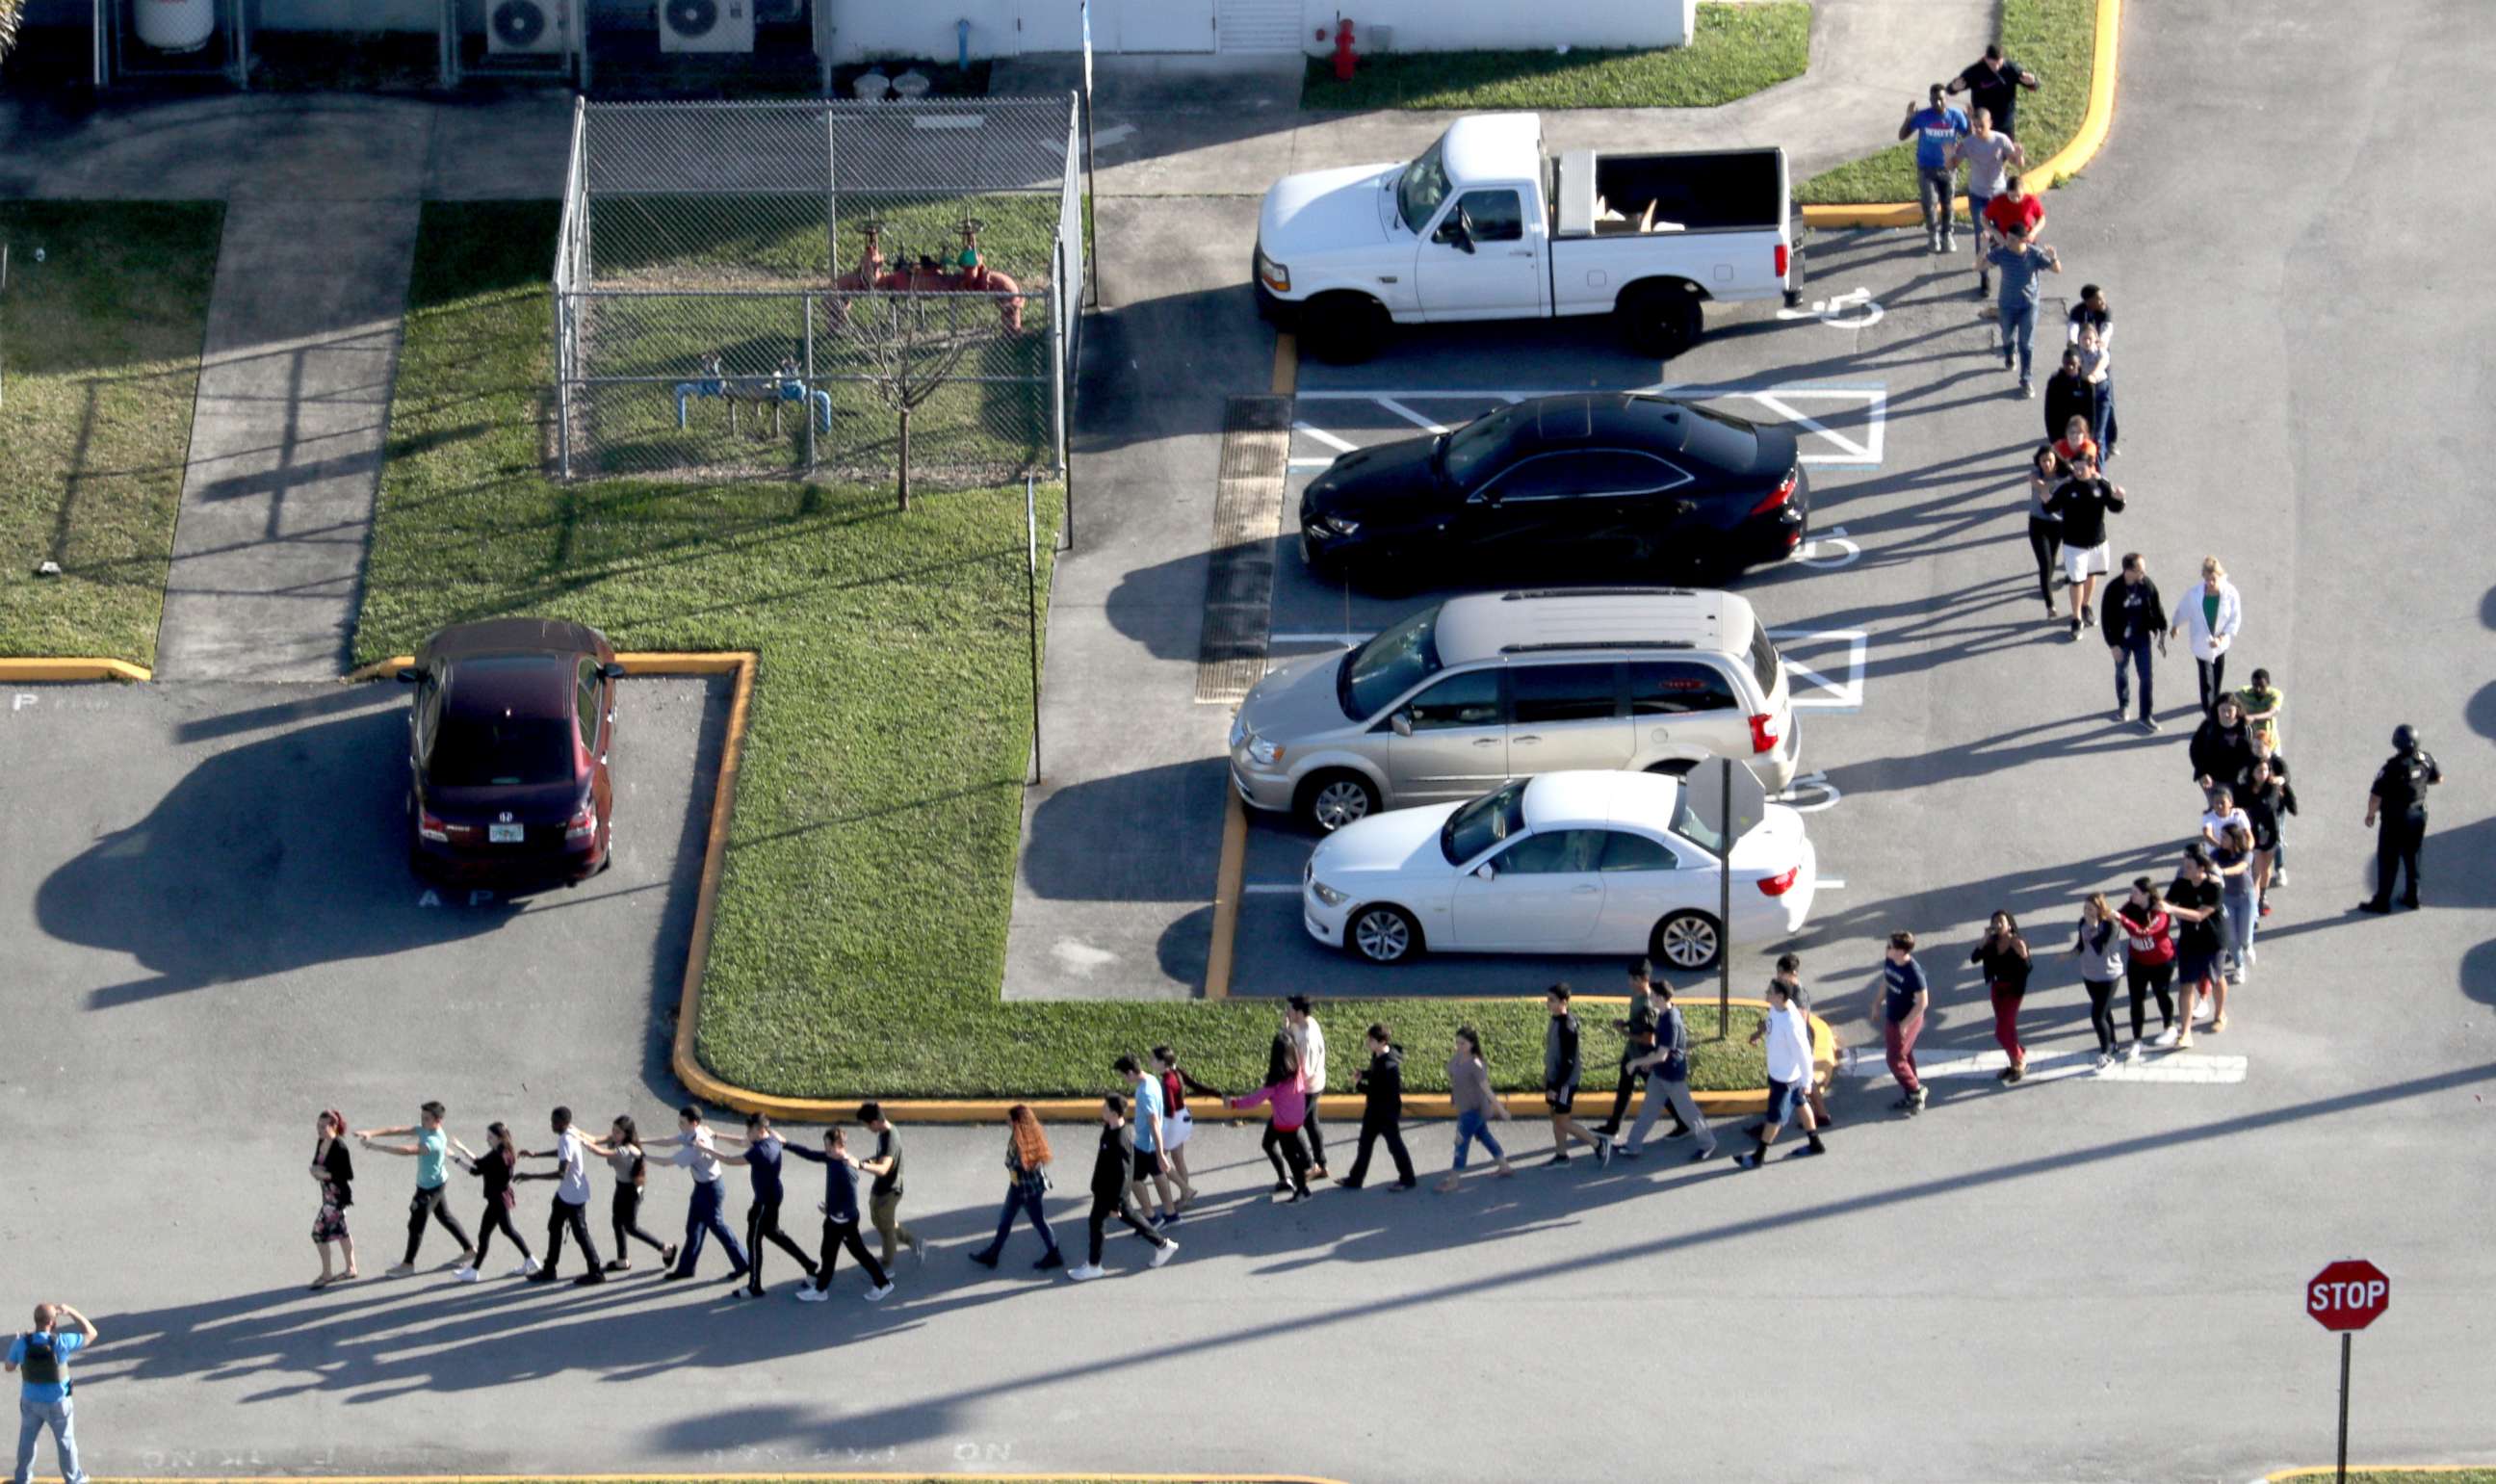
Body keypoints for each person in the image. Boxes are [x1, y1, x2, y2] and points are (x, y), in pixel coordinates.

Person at [355, 1103, 477, 1279]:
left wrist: (376, 1147)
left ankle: (408, 1264)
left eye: (427, 1118)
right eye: (422, 1117)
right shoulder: (424, 1129)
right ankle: (469, 1249)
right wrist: (371, 1133)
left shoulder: (433, 1142)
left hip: (429, 1189)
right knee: (444, 1216)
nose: (422, 1121)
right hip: (437, 1182)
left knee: (415, 1225)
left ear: (438, 1121)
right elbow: (397, 1130)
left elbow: (407, 1151)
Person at [1066, 1094, 1179, 1282]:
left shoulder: (1120, 1139)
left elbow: (1122, 1173)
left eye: (1105, 1108)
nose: (1102, 1110)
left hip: (1111, 1192)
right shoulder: (1110, 1129)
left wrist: (1115, 1205)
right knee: (1128, 1218)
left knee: (1097, 1223)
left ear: (1113, 1112)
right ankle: (1163, 1245)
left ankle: (1094, 1266)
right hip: (1105, 1189)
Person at [714, 1112, 817, 1298]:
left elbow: (730, 1160)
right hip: (774, 1194)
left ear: (760, 1130)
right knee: (773, 1233)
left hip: (764, 1201)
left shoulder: (759, 1151)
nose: (747, 1133)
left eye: (750, 1130)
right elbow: (742, 1142)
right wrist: (717, 1136)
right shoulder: (773, 1138)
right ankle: (809, 1265)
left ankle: (754, 1286)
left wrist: (707, 1150)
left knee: (753, 1241)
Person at [787, 1126, 893, 1303]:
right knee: (828, 1252)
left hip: (844, 1221)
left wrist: (831, 1210)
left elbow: (850, 1200)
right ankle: (821, 1289)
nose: (826, 1150)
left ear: (839, 1145)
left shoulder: (845, 1167)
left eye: (828, 1146)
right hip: (835, 1218)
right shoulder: (832, 1158)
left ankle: (883, 1284)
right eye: (826, 1146)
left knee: (858, 1253)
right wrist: (786, 1144)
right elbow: (810, 1154)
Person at [1618, 979, 1719, 1161]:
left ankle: (1708, 1143)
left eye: (1654, 996)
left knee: (1688, 1113)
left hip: (1672, 1075)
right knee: (1648, 1110)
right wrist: (1650, 1063)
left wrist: (1637, 1063)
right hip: (1660, 1073)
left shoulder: (1671, 1021)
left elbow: (1663, 1055)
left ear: (1662, 997)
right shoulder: (1666, 1013)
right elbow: (1661, 1051)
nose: (1651, 998)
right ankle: (1633, 1146)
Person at [649, 1105, 749, 1283]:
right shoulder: (692, 1133)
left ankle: (743, 1262)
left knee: (719, 1228)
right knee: (694, 1228)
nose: (679, 1126)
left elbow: (666, 1162)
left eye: (682, 1123)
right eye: (679, 1122)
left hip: (710, 1190)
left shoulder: (696, 1147)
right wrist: (639, 1141)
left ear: (694, 1123)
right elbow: (668, 1140)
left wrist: (641, 1156)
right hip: (702, 1188)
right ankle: (686, 1268)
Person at [1736, 976, 1826, 1165]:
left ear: (1779, 995)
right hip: (1781, 1072)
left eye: (1769, 992)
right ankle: (1815, 1142)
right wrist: (1759, 1033)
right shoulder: (1777, 1008)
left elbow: (1803, 1054)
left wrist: (1807, 1082)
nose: (1766, 994)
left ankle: (1758, 1156)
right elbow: (1770, 1024)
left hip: (1785, 1079)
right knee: (1801, 1104)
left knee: (1775, 1118)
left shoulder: (1791, 1024)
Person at [516, 1107, 605, 1287]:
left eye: (555, 1122)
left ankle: (596, 1272)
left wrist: (530, 1176)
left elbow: (561, 1174)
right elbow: (564, 1153)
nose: (552, 1125)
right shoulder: (570, 1132)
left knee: (580, 1234)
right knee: (554, 1227)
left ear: (563, 1123)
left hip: (573, 1197)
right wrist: (535, 1155)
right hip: (566, 1194)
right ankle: (550, 1269)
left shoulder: (566, 1138)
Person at [967, 1106, 1062, 1271]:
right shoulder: (1029, 1135)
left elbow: (1016, 1165)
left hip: (1024, 1189)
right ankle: (993, 1253)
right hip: (1028, 1186)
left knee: (1033, 1221)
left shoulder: (1020, 1143)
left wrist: (1013, 1174)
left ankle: (1054, 1254)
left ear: (1018, 1123)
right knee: (1008, 1219)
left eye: (1010, 1119)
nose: (1007, 1121)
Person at [9, 1303, 95, 1484]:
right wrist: (71, 1311)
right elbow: (91, 1333)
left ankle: (22, 1479)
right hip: (58, 1403)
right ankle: (74, 1479)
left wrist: (16, 1344)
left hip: (31, 1402)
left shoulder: (21, 1343)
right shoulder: (62, 1341)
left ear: (35, 1320)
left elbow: (9, 1367)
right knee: (66, 1442)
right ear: (53, 1323)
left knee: (27, 1441)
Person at [2360, 725, 2443, 913]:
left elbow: (2375, 796)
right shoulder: (2426, 759)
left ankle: (2382, 902)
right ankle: (2412, 897)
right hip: (2418, 815)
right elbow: (2438, 779)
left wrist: (2370, 815)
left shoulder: (2392, 767)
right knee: (2413, 855)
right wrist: (2419, 783)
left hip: (2394, 819)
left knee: (2388, 859)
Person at [2045, 450, 2123, 637]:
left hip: (2097, 542)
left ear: (2091, 467)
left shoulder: (2101, 485)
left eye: (2082, 468)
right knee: (2076, 580)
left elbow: (2115, 507)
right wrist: (2045, 499)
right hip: (2074, 545)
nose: (2078, 472)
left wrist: (2121, 498)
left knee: (2091, 574)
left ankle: (2086, 605)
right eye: (2075, 468)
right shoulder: (2066, 487)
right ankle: (2076, 618)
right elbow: (2051, 507)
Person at [1228, 1042, 1313, 1203]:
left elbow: (1253, 1100)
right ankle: (1284, 1180)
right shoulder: (1297, 1070)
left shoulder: (1275, 1082)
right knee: (1268, 1143)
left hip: (1284, 1124)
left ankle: (1303, 1191)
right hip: (1290, 1118)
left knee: (1290, 1155)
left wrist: (1233, 1103)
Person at [454, 1121, 537, 1284]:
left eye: (490, 1136)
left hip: (497, 1201)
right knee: (506, 1230)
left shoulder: (497, 1155)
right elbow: (478, 1168)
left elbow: (476, 1167)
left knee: (486, 1234)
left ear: (499, 1138)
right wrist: (458, 1155)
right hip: (501, 1198)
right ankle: (530, 1259)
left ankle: (474, 1271)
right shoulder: (506, 1151)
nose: (487, 1139)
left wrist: (458, 1152)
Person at [1952, 107, 2023, 295]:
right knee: (1981, 235)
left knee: (2002, 234)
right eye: (1974, 126)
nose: (1977, 130)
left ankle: (2006, 266)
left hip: (1999, 196)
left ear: (1990, 123)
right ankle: (1984, 276)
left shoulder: (2001, 140)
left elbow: (2017, 163)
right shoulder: (1968, 143)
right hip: (1977, 196)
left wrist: (2018, 155)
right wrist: (1948, 156)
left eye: (1981, 126)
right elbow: (1953, 164)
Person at [1986, 223, 2062, 397]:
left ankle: (2026, 380)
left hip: (2029, 305)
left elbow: (2057, 270)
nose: (2007, 241)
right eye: (2007, 237)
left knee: (2026, 344)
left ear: (2023, 240)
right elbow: (1982, 265)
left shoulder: (2034, 254)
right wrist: (1983, 249)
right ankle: (2009, 353)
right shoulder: (2002, 253)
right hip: (2007, 304)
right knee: (2006, 336)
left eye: (2012, 239)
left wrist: (2054, 257)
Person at [1435, 1027, 1515, 1192]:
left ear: (1472, 1044)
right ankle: (1504, 1166)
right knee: (1484, 1136)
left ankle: (1454, 1181)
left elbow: (1487, 1090)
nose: (1459, 1046)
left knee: (1460, 1143)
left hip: (1474, 1111)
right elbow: (1456, 1079)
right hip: (1466, 1108)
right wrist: (1454, 1097)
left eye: (1462, 1043)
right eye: (1457, 1042)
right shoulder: (1458, 1058)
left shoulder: (1476, 1065)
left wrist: (1501, 1110)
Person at [1339, 1023, 1417, 1190]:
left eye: (1371, 1040)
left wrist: (1359, 1084)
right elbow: (1375, 1073)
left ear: (1382, 1042)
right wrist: (1365, 1074)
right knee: (1365, 1144)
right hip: (1374, 1110)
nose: (1368, 1042)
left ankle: (1408, 1178)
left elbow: (1376, 1091)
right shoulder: (1379, 1055)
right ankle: (1355, 1179)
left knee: (1395, 1146)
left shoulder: (1389, 1067)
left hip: (1386, 1113)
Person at [2164, 848, 2227, 1050]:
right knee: (2186, 985)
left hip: (2212, 939)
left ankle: (2219, 1014)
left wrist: (2172, 910)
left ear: (2201, 868)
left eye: (2189, 866)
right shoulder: (2181, 883)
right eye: (2184, 865)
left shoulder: (2214, 887)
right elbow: (2165, 903)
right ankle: (2186, 1032)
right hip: (2189, 939)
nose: (2184, 869)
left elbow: (2199, 915)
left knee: (2216, 978)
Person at [1541, 985, 1610, 1167]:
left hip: (1564, 1082)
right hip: (1555, 1078)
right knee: (1556, 1116)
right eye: (1548, 999)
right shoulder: (1556, 1020)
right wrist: (1548, 1077)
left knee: (1562, 1120)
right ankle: (1561, 1155)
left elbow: (1568, 1062)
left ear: (1564, 1002)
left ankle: (1598, 1143)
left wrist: (1555, 1087)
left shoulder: (1567, 1026)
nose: (1548, 1003)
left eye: (1552, 1000)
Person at [594, 1116, 672, 1274]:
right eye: (613, 1130)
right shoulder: (616, 1140)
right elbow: (595, 1139)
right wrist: (576, 1133)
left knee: (630, 1227)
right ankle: (622, 1260)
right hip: (621, 1186)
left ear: (626, 1134)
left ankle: (665, 1248)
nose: (613, 1134)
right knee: (617, 1221)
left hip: (631, 1191)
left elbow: (600, 1151)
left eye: (617, 1132)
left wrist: (583, 1143)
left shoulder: (626, 1149)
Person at [1899, 84, 1970, 253]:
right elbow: (1902, 136)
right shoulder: (1923, 116)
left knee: (1947, 203)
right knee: (1929, 203)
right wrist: (1908, 118)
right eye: (1935, 99)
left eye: (1942, 98)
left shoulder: (1956, 115)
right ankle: (1933, 234)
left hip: (1948, 168)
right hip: (1926, 168)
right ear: (1930, 100)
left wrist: (1970, 120)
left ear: (1947, 99)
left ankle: (1947, 235)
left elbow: (1969, 136)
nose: (1939, 102)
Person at [1594, 959, 1661, 1139]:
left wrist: (1624, 1033)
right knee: (1624, 1088)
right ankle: (1613, 1127)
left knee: (1659, 1090)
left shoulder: (1648, 1005)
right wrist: (1626, 1023)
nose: (1629, 982)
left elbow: (1649, 1038)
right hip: (1632, 1053)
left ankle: (1683, 1122)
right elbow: (1638, 1023)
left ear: (1643, 979)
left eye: (1633, 979)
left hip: (1642, 1057)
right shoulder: (1637, 996)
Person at [855, 1103, 926, 1270]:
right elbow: (880, 1158)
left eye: (866, 1125)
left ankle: (887, 1267)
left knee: (886, 1231)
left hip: (890, 1190)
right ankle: (914, 1242)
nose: (866, 1128)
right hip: (880, 1188)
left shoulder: (890, 1138)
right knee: (879, 1221)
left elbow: (883, 1169)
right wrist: (867, 1161)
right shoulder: (882, 1133)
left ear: (874, 1122)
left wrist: (860, 1165)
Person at [2100, 553, 2168, 729]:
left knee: (2146, 677)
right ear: (2129, 571)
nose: (2144, 572)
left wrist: (2162, 628)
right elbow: (2106, 619)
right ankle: (2124, 705)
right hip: (2120, 641)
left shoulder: (2147, 584)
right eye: (2140, 569)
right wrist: (2112, 645)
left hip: (2141, 638)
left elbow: (2157, 606)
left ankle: (2145, 715)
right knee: (2121, 672)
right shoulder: (2113, 589)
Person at [2171, 557, 2244, 716]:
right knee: (2206, 679)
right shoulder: (2195, 594)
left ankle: (2215, 700)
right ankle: (2209, 710)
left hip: (2220, 644)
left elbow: (2235, 618)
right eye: (2207, 579)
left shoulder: (2231, 594)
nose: (2210, 583)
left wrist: (2221, 638)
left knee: (2218, 672)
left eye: (2213, 579)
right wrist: (2176, 625)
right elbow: (2184, 609)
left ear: (2220, 576)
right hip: (2201, 643)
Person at [1113, 1056, 1179, 1225]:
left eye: (1123, 1075)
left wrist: (1159, 1152)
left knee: (1133, 1178)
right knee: (1158, 1173)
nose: (1124, 1079)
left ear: (1130, 1073)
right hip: (1151, 1142)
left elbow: (1153, 1122)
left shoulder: (1144, 1092)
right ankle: (1171, 1214)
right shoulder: (1152, 1079)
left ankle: (1150, 1217)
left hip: (1145, 1144)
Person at [2117, 880, 2178, 1060]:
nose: (2131, 895)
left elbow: (2143, 932)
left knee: (2161, 994)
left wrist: (2122, 919)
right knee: (2136, 1001)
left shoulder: (2160, 912)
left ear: (2147, 894)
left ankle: (2169, 1026)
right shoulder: (2131, 906)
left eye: (2135, 892)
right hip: (2137, 962)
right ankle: (2137, 1040)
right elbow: (2119, 916)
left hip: (2161, 962)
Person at [1969, 911, 2034, 1081]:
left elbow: (2027, 968)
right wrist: (1984, 940)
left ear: (2009, 924)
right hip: (1997, 988)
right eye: (1994, 921)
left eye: (2001, 921)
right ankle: (2014, 1064)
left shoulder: (2017, 942)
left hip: (2013, 990)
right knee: (2008, 1029)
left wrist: (2024, 956)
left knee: (2001, 1031)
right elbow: (1974, 958)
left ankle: (2020, 1060)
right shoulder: (1991, 942)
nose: (1997, 924)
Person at [1151, 1046, 1217, 1209]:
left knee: (1158, 1161)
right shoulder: (1177, 1071)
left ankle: (1186, 1190)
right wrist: (1217, 1094)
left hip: (1172, 1123)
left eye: (1152, 1059)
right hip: (1184, 1119)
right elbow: (1196, 1086)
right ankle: (1185, 1198)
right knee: (1178, 1158)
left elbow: (1169, 1110)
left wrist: (1155, 1118)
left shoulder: (1166, 1081)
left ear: (1162, 1062)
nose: (1150, 1061)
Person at [2071, 894, 2127, 1069]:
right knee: (2105, 1012)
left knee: (2097, 1015)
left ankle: (2106, 1054)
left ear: (2099, 909)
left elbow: (2099, 948)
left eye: (2090, 908)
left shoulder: (2111, 925)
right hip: (2090, 975)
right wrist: (2070, 953)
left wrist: (2094, 927)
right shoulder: (2082, 922)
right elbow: (2082, 945)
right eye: (2085, 908)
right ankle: (2112, 1043)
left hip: (2109, 975)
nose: (2087, 912)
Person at [1878, 932, 1930, 1112]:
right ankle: (1911, 1093)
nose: (1887, 949)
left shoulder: (1913, 972)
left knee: (1894, 1059)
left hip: (1907, 1019)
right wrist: (1877, 1003)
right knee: (1904, 1055)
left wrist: (1905, 1025)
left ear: (1900, 951)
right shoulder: (1891, 961)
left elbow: (1923, 1002)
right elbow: (1886, 980)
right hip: (1893, 1016)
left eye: (1890, 946)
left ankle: (1916, 1089)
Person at [308, 1110, 357, 1290]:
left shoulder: (340, 1147)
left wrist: (325, 1175)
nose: (319, 1130)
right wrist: (315, 1170)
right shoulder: (322, 1141)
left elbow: (347, 1175)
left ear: (333, 1126)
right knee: (342, 1232)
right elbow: (317, 1162)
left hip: (336, 1198)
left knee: (318, 1233)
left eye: (323, 1126)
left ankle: (327, 1274)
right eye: (318, 1126)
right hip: (327, 1195)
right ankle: (351, 1268)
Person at [1948, 42, 2042, 137]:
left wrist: (2032, 82)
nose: (1996, 67)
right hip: (1982, 122)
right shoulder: (1975, 71)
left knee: (2007, 149)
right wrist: (1953, 88)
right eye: (1992, 64)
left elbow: (2035, 85)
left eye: (1999, 63)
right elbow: (1950, 89)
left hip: (2005, 121)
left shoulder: (2011, 69)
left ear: (2003, 59)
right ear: (1986, 59)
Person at [2068, 286, 2119, 454]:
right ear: (2089, 302)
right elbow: (2073, 331)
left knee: (2107, 401)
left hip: (2099, 361)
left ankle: (2110, 439)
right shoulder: (2077, 312)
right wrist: (2075, 344)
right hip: (2082, 362)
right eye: (2099, 298)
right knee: (2078, 402)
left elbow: (2107, 331)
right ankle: (2076, 434)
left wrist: (2100, 342)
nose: (2103, 301)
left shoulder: (2105, 312)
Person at [1287, 997, 1332, 1180]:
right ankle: (1321, 1164)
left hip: (1308, 1089)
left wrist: (1287, 1082)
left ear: (1299, 1013)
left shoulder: (1307, 1039)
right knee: (1311, 1125)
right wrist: (1287, 1028)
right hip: (1313, 1085)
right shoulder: (1307, 1023)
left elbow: (1305, 1071)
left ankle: (1309, 1165)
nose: (1286, 1012)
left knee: (1291, 1126)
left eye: (1289, 1010)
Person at [2213, 822, 2259, 999]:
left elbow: (2240, 868)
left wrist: (2222, 872)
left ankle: (2248, 947)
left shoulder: (2246, 853)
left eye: (2225, 837)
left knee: (2245, 936)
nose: (2221, 839)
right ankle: (2239, 966)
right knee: (2231, 937)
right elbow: (2208, 864)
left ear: (2234, 839)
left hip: (2245, 897)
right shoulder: (2217, 854)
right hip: (2227, 899)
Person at [2190, 697, 2258, 811]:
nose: (2226, 714)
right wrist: (2202, 772)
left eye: (2230, 710)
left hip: (2238, 780)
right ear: (2216, 710)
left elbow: (2254, 753)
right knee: (2220, 810)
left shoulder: (2246, 728)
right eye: (2222, 710)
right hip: (2213, 780)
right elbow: (2195, 750)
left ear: (2237, 710)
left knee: (2238, 811)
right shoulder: (2208, 726)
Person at [2244, 758, 2290, 916]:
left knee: (2266, 869)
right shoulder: (2246, 788)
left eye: (2265, 770)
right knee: (2256, 870)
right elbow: (2242, 805)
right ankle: (2255, 907)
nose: (2263, 774)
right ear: (2253, 773)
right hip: (2254, 834)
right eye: (2259, 771)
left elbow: (2269, 804)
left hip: (2270, 832)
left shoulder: (2273, 787)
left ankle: (2263, 895)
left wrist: (2249, 813)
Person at [2021, 445, 2064, 617]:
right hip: (2038, 524)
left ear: (2056, 460)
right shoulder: (2035, 474)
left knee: (2052, 559)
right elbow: (2036, 482)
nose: (2046, 463)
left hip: (2057, 524)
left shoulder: (2064, 476)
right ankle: (2049, 604)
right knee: (2045, 563)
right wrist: (2045, 486)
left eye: (2050, 460)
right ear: (2038, 461)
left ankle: (2045, 583)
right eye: (2043, 460)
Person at [2043, 355, 2097, 451]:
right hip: (2061, 431)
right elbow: (2049, 412)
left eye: (2073, 364)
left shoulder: (2086, 383)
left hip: (2080, 433)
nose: (2070, 367)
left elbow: (2092, 412)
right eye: (2067, 364)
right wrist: (2053, 438)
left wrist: (2090, 436)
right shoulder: (2055, 382)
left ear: (2079, 364)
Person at [773, 356, 834, 433]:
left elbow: (799, 365)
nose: (790, 362)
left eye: (792, 361)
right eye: (788, 361)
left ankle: (826, 429)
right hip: (785, 390)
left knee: (824, 396)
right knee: (781, 391)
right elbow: (776, 375)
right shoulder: (780, 371)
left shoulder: (796, 368)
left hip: (798, 390)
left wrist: (796, 364)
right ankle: (783, 397)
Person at [2236, 668, 2284, 751]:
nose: (2258, 689)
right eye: (2255, 685)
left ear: (2268, 684)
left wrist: (2253, 717)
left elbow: (2271, 713)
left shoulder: (2275, 695)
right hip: (2254, 744)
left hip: (2271, 743)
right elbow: (2229, 699)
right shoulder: (2245, 693)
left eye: (2262, 686)